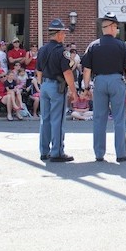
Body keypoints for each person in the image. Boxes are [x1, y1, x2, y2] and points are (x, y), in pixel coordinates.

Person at [81, 12, 126, 163]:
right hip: (117, 81)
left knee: (99, 118)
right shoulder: (121, 45)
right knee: (119, 118)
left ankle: (99, 154)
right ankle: (121, 153)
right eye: (116, 27)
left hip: (99, 81)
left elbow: (86, 70)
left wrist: (86, 88)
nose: (117, 30)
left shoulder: (93, 45)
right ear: (112, 27)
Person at [36, 19, 78, 162]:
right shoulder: (62, 52)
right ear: (59, 34)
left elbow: (39, 71)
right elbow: (67, 73)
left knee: (45, 119)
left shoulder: (42, 50)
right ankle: (57, 152)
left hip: (45, 85)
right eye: (63, 33)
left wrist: (42, 85)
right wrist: (74, 91)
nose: (64, 36)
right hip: (56, 86)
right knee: (57, 120)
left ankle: (44, 151)